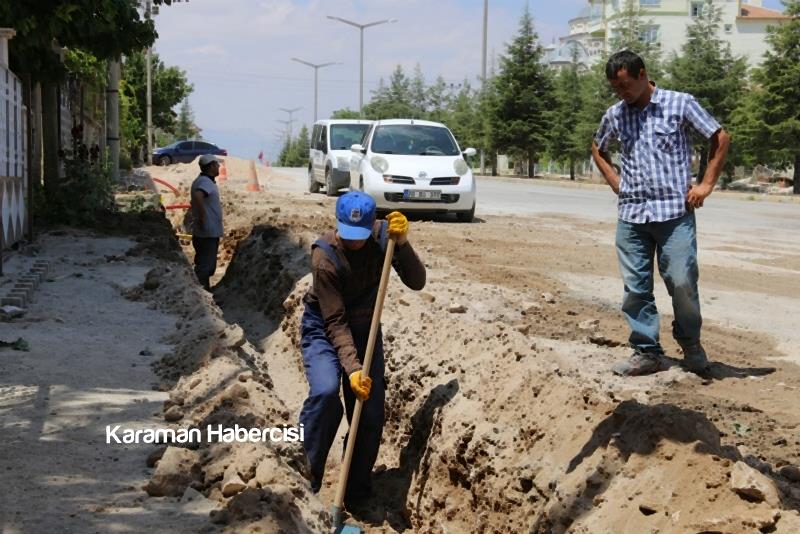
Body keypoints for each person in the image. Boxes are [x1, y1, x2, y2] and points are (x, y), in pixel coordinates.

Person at [591, 50, 730, 376]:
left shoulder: (679, 104)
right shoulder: (615, 114)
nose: (621, 93)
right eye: (615, 88)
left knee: (682, 281)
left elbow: (720, 137)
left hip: (674, 214)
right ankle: (646, 351)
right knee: (636, 288)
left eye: (625, 85)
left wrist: (705, 185)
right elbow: (598, 146)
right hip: (632, 215)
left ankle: (691, 344)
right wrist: (615, 181)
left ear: (643, 75)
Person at [299, 192, 426, 509]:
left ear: (372, 227)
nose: (355, 242)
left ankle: (353, 492)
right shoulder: (325, 257)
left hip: (366, 328)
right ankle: (306, 477)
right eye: (348, 235)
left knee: (368, 412)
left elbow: (417, 281)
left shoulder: (386, 238)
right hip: (325, 327)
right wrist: (354, 370)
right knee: (327, 393)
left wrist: (404, 245)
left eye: (361, 236)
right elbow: (336, 322)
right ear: (337, 224)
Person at [190, 155, 224, 291]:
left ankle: (204, 293)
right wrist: (203, 217)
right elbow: (198, 196)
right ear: (210, 166)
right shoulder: (205, 182)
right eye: (217, 164)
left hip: (206, 231)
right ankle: (202, 296)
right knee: (206, 267)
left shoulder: (202, 181)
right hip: (207, 232)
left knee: (205, 265)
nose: (219, 167)